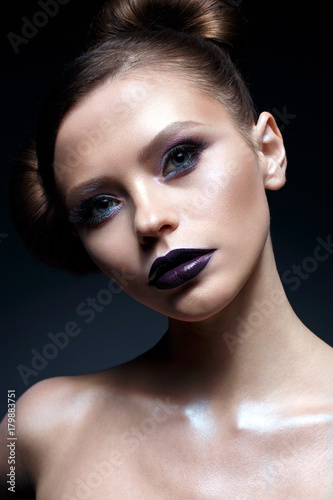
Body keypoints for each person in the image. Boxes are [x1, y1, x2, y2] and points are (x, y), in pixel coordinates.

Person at [1, 0, 332, 497]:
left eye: (180, 157)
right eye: (99, 207)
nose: (151, 220)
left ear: (268, 152)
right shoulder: (30, 430)